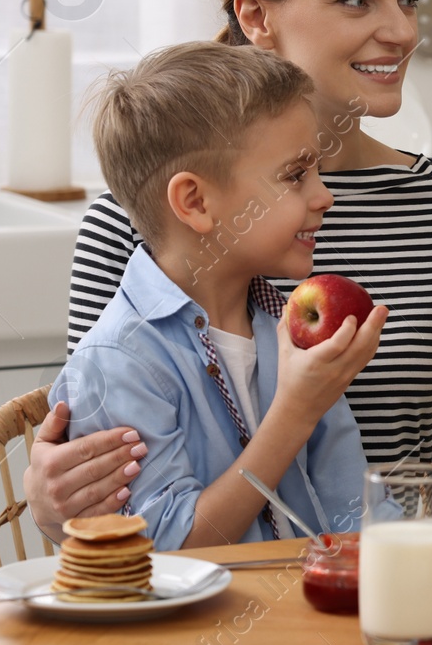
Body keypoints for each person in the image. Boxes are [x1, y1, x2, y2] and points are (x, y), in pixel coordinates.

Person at [27, 0, 432, 536]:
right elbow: (110, 468)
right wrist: (52, 502)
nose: (403, 32)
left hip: (385, 580)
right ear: (255, 15)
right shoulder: (134, 217)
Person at [51, 43, 387, 550]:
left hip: (310, 617)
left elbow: (359, 514)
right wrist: (296, 411)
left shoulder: (288, 329)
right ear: (196, 202)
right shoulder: (116, 362)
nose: (324, 195)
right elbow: (167, 552)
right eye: (295, 175)